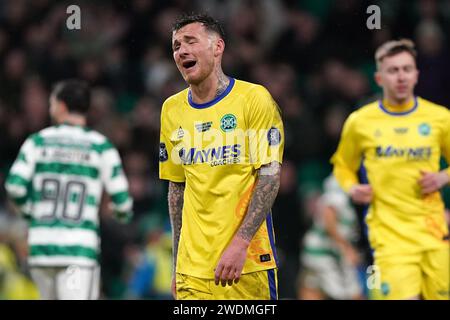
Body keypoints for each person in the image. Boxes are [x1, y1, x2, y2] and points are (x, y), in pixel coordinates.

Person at [159, 13, 284, 300]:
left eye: (190, 41)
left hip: (247, 263)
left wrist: (240, 243)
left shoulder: (253, 99)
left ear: (218, 48)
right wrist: (177, 261)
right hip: (193, 269)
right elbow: (177, 187)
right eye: (176, 46)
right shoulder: (171, 109)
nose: (181, 51)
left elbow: (269, 176)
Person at [331, 39, 449, 300]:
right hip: (389, 239)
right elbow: (342, 165)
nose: (401, 76)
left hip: (434, 233)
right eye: (393, 70)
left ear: (416, 74)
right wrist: (352, 188)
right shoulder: (360, 121)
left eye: (407, 69)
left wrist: (444, 176)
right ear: (379, 77)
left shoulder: (439, 117)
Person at [4, 79, 133, 299]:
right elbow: (123, 202)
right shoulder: (100, 146)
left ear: (61, 106)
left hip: (41, 249)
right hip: (78, 252)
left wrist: (31, 213)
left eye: (51, 103)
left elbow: (14, 187)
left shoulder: (37, 142)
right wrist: (121, 215)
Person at [298, 174, 364, 300]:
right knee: (347, 294)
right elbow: (328, 216)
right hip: (323, 254)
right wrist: (347, 248)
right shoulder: (340, 179)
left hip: (334, 255)